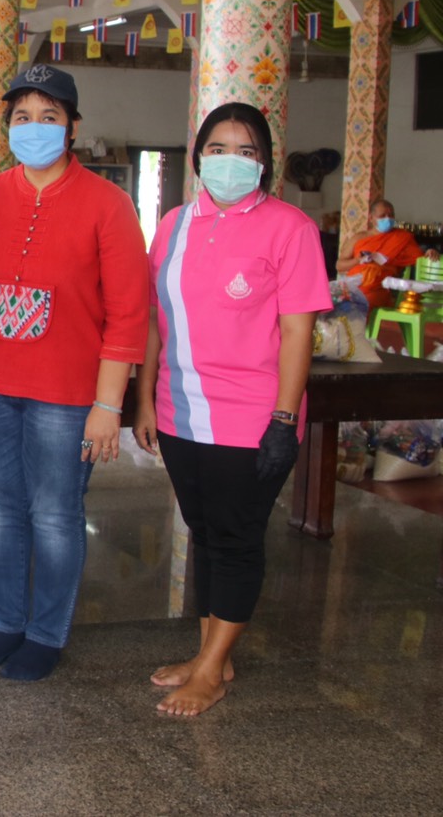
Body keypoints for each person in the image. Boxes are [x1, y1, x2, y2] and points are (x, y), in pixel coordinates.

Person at [0, 64, 149, 683]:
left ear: (72, 127)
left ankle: (45, 634)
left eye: (49, 117)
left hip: (68, 393)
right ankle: (6, 624)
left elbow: (128, 312)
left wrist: (108, 404)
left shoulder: (109, 205)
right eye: (22, 117)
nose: (34, 127)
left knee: (56, 514)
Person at [134, 102, 331, 717]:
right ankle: (210, 656)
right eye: (218, 149)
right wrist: (144, 397)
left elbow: (297, 333)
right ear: (198, 158)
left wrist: (284, 420)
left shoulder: (290, 228)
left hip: (250, 418)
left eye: (246, 152)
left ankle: (212, 671)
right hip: (179, 412)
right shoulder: (173, 224)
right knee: (205, 534)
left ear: (265, 162)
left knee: (237, 537)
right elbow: (154, 319)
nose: (230, 162)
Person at [334, 199, 436, 309]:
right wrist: (357, 260)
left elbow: (420, 258)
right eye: (382, 216)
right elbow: (339, 266)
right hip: (353, 285)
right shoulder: (359, 237)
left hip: (381, 287)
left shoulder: (401, 238)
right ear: (371, 218)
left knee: (361, 303)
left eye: (391, 215)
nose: (388, 219)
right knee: (333, 301)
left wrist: (429, 252)